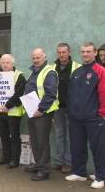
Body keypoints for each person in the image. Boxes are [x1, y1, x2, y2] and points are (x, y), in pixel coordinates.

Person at [65, 42, 105, 189]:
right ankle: (80, 172)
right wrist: (70, 112)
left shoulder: (100, 71)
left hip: (94, 118)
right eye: (83, 51)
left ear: (95, 53)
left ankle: (101, 176)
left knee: (99, 148)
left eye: (88, 51)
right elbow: (70, 95)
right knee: (77, 147)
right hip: (76, 118)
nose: (85, 54)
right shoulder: (77, 72)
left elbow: (103, 93)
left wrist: (102, 114)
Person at [24, 48, 58, 181]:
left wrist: (41, 110)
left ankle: (44, 170)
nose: (35, 60)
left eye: (38, 57)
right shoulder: (33, 71)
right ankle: (39, 164)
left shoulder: (49, 72)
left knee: (42, 141)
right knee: (35, 140)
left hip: (42, 113)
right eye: (33, 58)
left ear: (44, 57)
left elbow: (50, 94)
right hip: (32, 111)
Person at [52, 43, 81, 174]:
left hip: (71, 108)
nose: (61, 54)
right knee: (58, 135)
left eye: (64, 52)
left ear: (69, 52)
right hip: (57, 108)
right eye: (59, 52)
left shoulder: (77, 67)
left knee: (70, 136)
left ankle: (68, 163)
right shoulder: (52, 67)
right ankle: (58, 161)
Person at [0, 54, 26, 168]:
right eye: (3, 63)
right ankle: (5, 157)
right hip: (1, 111)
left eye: (7, 63)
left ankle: (14, 160)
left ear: (13, 64)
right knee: (3, 135)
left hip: (13, 112)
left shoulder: (19, 76)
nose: (5, 65)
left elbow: (19, 94)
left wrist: (8, 105)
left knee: (14, 137)